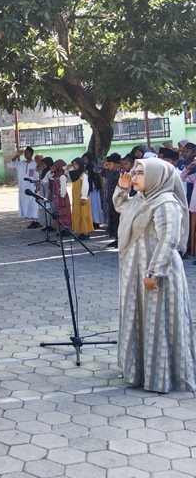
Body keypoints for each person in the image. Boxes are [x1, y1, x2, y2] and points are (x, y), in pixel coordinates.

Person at [113, 158, 196, 393]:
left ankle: (161, 377)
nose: (134, 176)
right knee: (139, 318)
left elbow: (168, 240)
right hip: (136, 271)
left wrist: (154, 272)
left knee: (157, 320)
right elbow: (122, 208)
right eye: (134, 172)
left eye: (140, 173)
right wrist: (122, 189)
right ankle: (138, 372)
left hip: (157, 274)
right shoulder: (142, 199)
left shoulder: (165, 203)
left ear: (156, 177)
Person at [10, 147, 40, 228]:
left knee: (34, 203)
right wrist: (17, 155)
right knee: (26, 203)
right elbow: (12, 163)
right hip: (23, 187)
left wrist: (37, 186)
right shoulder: (22, 164)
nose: (26, 155)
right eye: (25, 153)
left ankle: (37, 220)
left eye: (27, 153)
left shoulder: (35, 164)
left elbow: (37, 175)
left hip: (32, 187)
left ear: (31, 154)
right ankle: (33, 219)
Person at [69, 157, 94, 238]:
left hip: (82, 197)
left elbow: (85, 186)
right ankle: (81, 231)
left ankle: (85, 232)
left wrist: (83, 196)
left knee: (84, 213)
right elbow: (65, 172)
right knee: (78, 213)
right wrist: (68, 167)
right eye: (73, 164)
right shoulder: (74, 174)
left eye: (76, 164)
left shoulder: (83, 174)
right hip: (76, 197)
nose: (74, 166)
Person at [101, 153, 123, 248]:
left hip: (118, 201)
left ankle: (121, 240)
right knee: (113, 221)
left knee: (118, 220)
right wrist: (105, 167)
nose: (108, 166)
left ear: (117, 165)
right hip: (111, 200)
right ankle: (116, 239)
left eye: (110, 164)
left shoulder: (119, 174)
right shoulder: (111, 173)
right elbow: (102, 174)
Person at [81, 152, 104, 229]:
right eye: (83, 159)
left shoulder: (93, 167)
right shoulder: (84, 168)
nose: (85, 161)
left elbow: (94, 177)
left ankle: (96, 222)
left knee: (95, 206)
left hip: (93, 189)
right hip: (88, 190)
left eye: (86, 159)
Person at [49, 160, 73, 234]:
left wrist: (62, 198)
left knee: (64, 213)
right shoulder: (56, 175)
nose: (53, 167)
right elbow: (50, 177)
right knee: (58, 213)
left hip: (62, 197)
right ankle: (60, 229)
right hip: (57, 197)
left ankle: (66, 229)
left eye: (55, 165)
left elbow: (63, 188)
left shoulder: (62, 176)